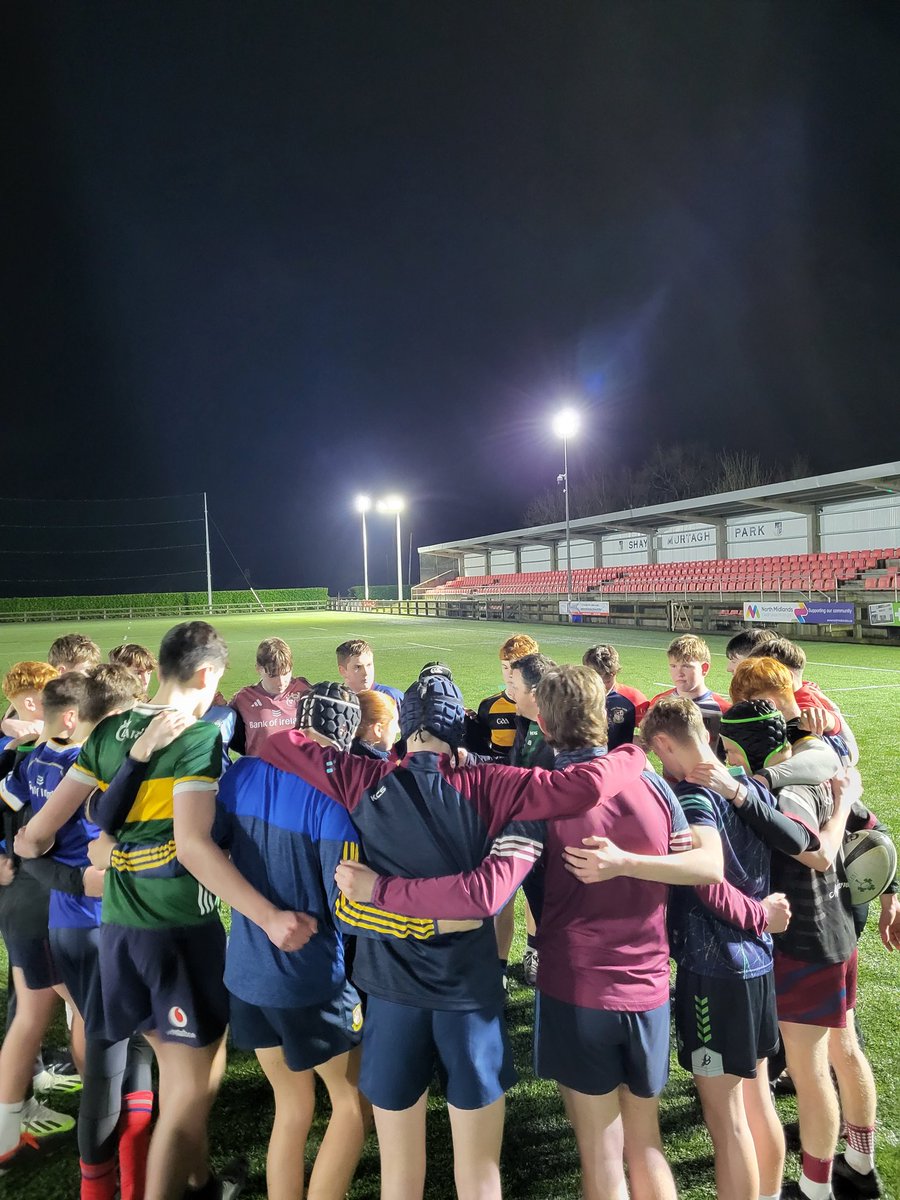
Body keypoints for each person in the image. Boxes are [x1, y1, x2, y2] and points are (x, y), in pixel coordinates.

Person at [330, 665, 725, 1200]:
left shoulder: (534, 805)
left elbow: (480, 898)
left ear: (540, 717)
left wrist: (380, 892)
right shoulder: (652, 784)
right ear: (604, 716)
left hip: (576, 989)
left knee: (602, 1155)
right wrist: (633, 860)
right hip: (651, 988)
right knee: (647, 1145)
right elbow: (706, 870)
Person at [260, 663, 647, 1200]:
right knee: (479, 1171)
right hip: (468, 994)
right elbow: (585, 787)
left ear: (406, 729)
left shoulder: (363, 778)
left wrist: (371, 755)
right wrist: (635, 752)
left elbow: (278, 745)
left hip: (391, 995)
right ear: (459, 733)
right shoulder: (493, 782)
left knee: (398, 1174)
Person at [16, 621, 317, 1200]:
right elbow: (196, 846)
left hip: (120, 932)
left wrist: (80, 855)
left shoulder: (108, 733)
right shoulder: (198, 737)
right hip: (178, 933)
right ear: (207, 674)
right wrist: (269, 916)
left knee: (184, 1069)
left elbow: (36, 836)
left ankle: (199, 1182)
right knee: (188, 1089)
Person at [720, 658, 884, 1199]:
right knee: (842, 1048)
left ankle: (816, 1190)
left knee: (811, 1070)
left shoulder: (790, 784)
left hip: (805, 938)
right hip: (837, 928)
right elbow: (870, 824)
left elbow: (817, 849)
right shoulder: (821, 762)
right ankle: (859, 1163)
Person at [640, 697, 801, 1200]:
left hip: (716, 971)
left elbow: (708, 882)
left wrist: (757, 916)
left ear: (665, 743)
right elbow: (798, 840)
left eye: (654, 753)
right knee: (757, 1101)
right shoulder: (744, 786)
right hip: (756, 965)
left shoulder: (690, 798)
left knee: (726, 1119)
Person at [2, 668, 149, 1196]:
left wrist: (10, 851)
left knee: (78, 1017)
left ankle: (93, 1141)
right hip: (89, 911)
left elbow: (17, 817)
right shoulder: (85, 766)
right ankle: (119, 1164)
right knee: (118, 1039)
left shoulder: (34, 758)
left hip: (50, 911)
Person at [504, 652, 557, 986]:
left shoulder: (556, 739)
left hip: (549, 849)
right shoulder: (528, 723)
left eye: (516, 686)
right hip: (533, 844)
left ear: (535, 695)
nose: (511, 693)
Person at [648, 635, 730, 757]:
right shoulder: (659, 703)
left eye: (686, 666)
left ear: (704, 668)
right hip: (669, 777)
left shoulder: (722, 709)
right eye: (673, 666)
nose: (679, 673)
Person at [229, 637, 311, 756]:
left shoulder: (304, 690)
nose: (281, 682)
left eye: (286, 673)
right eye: (273, 676)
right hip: (261, 770)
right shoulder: (244, 699)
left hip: (297, 771)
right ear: (258, 668)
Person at [466, 634, 538, 760]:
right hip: (502, 777)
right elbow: (482, 747)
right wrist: (470, 722)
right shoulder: (488, 706)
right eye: (505, 667)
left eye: (515, 667)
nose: (509, 674)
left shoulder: (546, 706)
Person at [582, 643, 648, 749]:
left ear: (615, 672)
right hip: (583, 762)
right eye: (597, 679)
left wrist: (634, 744)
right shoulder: (574, 697)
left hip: (618, 763)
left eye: (607, 680)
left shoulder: (633, 699)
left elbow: (652, 737)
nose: (602, 686)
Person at [335, 639, 403, 709]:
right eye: (358, 667)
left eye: (369, 665)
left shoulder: (392, 697)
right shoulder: (334, 701)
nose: (366, 673)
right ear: (342, 671)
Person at [351, 689, 400, 759]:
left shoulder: (343, 757)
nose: (398, 730)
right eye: (395, 723)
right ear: (378, 729)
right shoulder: (381, 768)